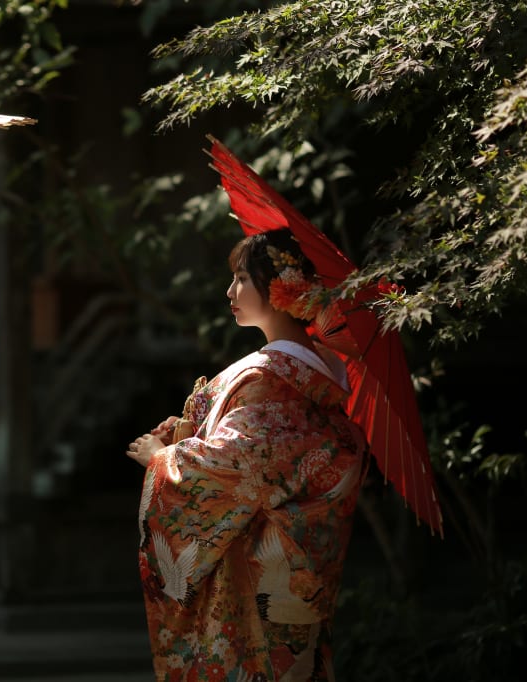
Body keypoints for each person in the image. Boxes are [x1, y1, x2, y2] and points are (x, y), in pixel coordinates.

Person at [126, 228, 367, 682]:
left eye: (242, 278)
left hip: (253, 579)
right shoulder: (324, 371)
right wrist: (187, 428)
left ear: (280, 288)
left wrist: (163, 457)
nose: (229, 291)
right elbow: (262, 454)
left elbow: (231, 466)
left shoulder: (272, 376)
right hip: (293, 570)